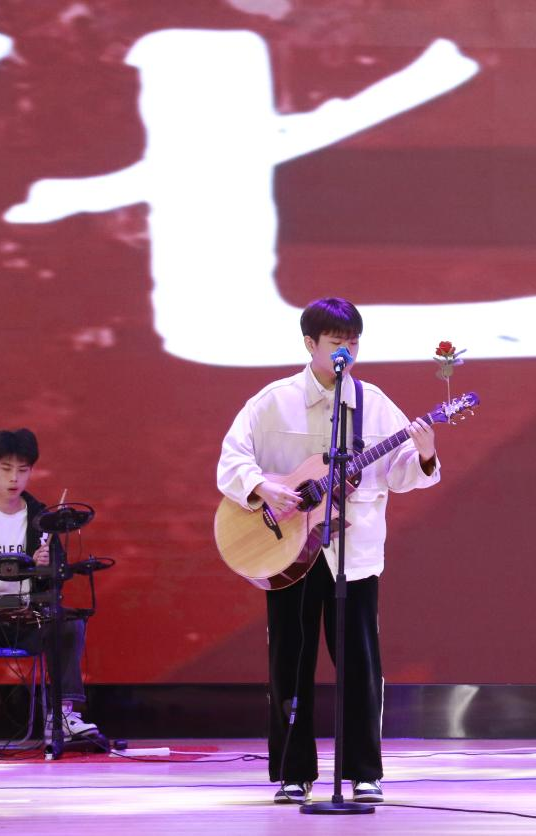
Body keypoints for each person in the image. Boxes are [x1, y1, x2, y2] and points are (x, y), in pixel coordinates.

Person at [217, 297, 440, 804]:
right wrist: (264, 488)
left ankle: (364, 772)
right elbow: (231, 461)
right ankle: (293, 772)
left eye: (354, 343)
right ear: (310, 344)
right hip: (287, 552)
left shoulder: (374, 403)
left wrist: (424, 453)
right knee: (289, 663)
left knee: (360, 665)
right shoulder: (272, 401)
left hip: (353, 554)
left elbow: (400, 472)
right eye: (337, 343)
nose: (347, 352)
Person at [0, 428, 100, 760]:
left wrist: (47, 566)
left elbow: (55, 583)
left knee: (68, 623)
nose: (14, 478)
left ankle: (63, 716)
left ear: (31, 471)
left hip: (27, 619)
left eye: (22, 469)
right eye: (6, 468)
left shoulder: (42, 519)